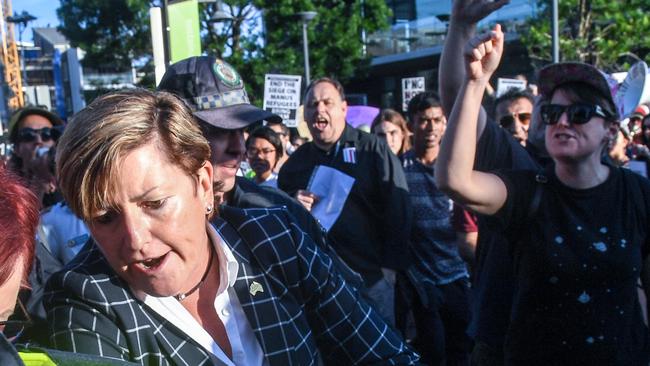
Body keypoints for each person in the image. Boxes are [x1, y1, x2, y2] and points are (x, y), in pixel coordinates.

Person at [45, 88, 418, 365]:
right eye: (104, 217)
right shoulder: (85, 301)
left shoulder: (275, 238)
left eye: (154, 203)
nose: (136, 240)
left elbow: (382, 353)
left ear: (203, 184)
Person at [435, 22, 650, 365]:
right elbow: (453, 179)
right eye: (551, 112)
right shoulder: (527, 189)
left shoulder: (637, 194)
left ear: (611, 129)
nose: (562, 121)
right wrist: (476, 81)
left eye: (579, 113)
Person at [156, 56, 364, 291]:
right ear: (171, 135)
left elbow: (347, 296)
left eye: (242, 131)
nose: (240, 148)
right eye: (219, 130)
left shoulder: (279, 213)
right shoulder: (138, 233)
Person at [278, 77, 413, 326]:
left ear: (343, 108)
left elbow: (399, 208)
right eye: (312, 104)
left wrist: (391, 269)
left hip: (372, 278)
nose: (319, 109)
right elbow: (281, 218)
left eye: (327, 102)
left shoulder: (372, 150)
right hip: (319, 283)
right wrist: (292, 202)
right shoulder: (295, 165)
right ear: (305, 116)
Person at [397, 92, 472, 365]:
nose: (431, 128)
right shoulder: (399, 168)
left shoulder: (457, 165)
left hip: (457, 275)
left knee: (461, 350)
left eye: (437, 120)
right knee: (433, 353)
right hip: (422, 281)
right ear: (411, 125)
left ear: (445, 123)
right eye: (423, 121)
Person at [7, 107, 64, 207]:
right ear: (16, 148)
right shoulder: (8, 191)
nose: (39, 141)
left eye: (47, 133)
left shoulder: (71, 176)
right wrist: (38, 183)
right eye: (28, 135)